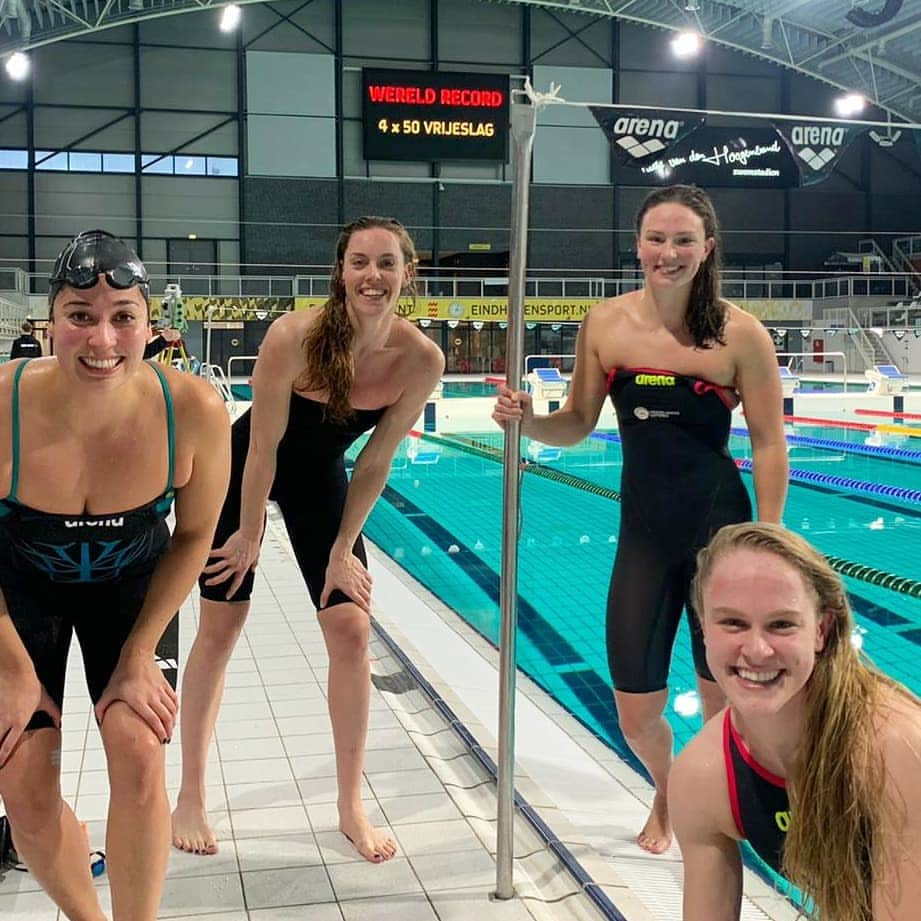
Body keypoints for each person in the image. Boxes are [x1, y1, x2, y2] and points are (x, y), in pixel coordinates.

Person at [492, 185, 788, 853]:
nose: (669, 252)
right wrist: (525, 419)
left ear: (706, 247)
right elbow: (574, 423)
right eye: (657, 238)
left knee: (724, 702)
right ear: (637, 245)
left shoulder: (740, 333)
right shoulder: (605, 323)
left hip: (721, 532)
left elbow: (769, 441)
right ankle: (668, 785)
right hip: (644, 536)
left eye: (684, 239)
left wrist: (767, 539)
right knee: (634, 711)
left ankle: (718, 805)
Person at [171, 215, 445, 859]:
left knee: (351, 630)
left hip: (320, 482)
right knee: (220, 627)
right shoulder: (293, 335)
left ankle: (351, 805)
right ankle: (190, 794)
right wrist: (247, 531)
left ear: (408, 272)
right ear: (340, 269)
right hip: (243, 470)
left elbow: (374, 461)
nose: (372, 275)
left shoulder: (420, 358)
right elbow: (261, 447)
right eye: (359, 262)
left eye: (386, 263)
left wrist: (343, 547)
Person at [0, 229, 230, 921]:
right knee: (21, 779)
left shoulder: (193, 410)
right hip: (19, 596)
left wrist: (138, 653)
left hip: (133, 592)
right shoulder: (2, 404)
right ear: (50, 324)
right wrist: (13, 666)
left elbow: (193, 536)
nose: (103, 340)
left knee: (138, 753)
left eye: (122, 317)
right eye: (81, 316)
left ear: (148, 325)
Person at [669, 522, 921, 921]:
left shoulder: (894, 748)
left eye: (782, 624)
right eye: (732, 623)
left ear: (821, 630)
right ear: (703, 630)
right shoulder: (702, 779)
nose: (756, 650)